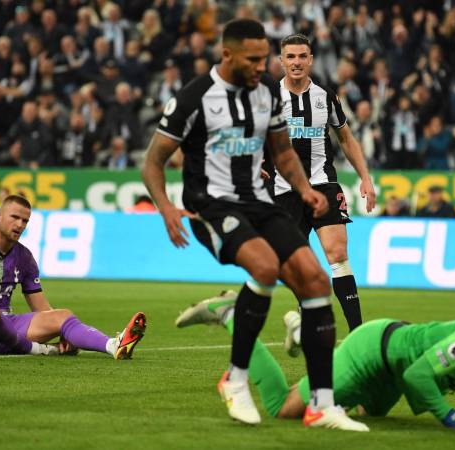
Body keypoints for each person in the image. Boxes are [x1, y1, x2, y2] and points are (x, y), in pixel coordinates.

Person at [141, 19, 366, 431]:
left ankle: (322, 403)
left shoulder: (265, 96)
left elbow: (282, 152)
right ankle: (236, 378)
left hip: (260, 202)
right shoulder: (195, 98)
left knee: (315, 279)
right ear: (228, 55)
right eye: (254, 59)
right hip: (210, 205)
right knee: (265, 267)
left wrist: (306, 189)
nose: (263, 66)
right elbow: (153, 161)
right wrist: (165, 208)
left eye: (266, 58)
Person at [177, 291, 455, 431]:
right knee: (284, 409)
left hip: (392, 378)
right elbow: (419, 374)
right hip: (374, 350)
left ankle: (303, 335)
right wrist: (453, 419)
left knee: (359, 414)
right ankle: (231, 314)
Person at [0, 195, 146, 359]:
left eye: (25, 221)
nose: (20, 224)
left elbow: (41, 308)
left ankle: (113, 345)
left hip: (7, 325)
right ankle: (33, 348)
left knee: (62, 315)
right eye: (14, 217)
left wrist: (62, 332)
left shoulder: (24, 257)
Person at [270, 33, 376, 331]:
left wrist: (365, 178)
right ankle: (307, 317)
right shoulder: (269, 97)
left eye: (302, 56)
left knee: (338, 254)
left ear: (311, 59)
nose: (296, 62)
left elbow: (345, 138)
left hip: (323, 183)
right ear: (281, 60)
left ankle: (357, 332)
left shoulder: (326, 97)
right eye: (290, 56)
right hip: (283, 190)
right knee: (293, 263)